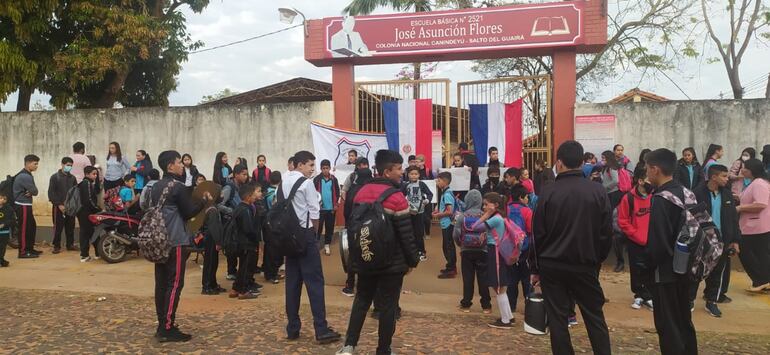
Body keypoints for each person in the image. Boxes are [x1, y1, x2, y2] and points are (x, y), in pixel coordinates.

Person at [530, 140, 612, 355]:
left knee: (557, 319)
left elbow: (538, 233)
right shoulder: (597, 191)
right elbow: (606, 233)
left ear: (559, 162)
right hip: (585, 264)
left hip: (552, 265)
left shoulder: (548, 192)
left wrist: (535, 268)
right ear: (581, 161)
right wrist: (597, 259)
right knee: (595, 317)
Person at [337, 149, 420, 355]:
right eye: (399, 169)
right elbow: (406, 234)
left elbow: (354, 224)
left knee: (362, 300)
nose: (402, 172)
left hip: (365, 257)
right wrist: (412, 261)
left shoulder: (362, 192)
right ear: (386, 172)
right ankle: (383, 350)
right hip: (392, 262)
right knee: (388, 306)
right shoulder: (397, 197)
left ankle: (349, 346)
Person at [282, 151, 341, 344]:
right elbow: (315, 212)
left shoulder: (282, 181)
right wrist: (314, 235)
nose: (312, 169)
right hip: (305, 235)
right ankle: (321, 329)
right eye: (310, 165)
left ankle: (292, 328)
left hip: (288, 237)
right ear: (300, 165)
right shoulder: (306, 184)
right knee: (314, 283)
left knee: (292, 284)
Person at [151, 150, 210, 343]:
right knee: (175, 284)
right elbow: (189, 213)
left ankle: (162, 324)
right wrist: (204, 201)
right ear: (170, 166)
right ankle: (167, 328)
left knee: (161, 284)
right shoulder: (177, 187)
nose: (181, 166)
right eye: (179, 163)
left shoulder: (155, 186)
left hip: (159, 240)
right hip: (175, 239)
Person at [645, 148, 698, 355]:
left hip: (666, 271)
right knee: (684, 320)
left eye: (647, 169)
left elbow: (658, 242)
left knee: (668, 326)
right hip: (687, 267)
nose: (646, 173)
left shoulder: (661, 198)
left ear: (655, 169)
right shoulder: (687, 192)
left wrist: (647, 266)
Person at [690, 164, 740, 317]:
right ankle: (689, 300)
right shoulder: (697, 193)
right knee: (695, 272)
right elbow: (690, 217)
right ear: (713, 177)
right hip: (702, 241)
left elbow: (733, 218)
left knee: (717, 274)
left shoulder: (727, 195)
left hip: (722, 241)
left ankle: (711, 301)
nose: (727, 179)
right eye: (724, 176)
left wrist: (735, 240)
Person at [472, 192, 515, 328]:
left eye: (486, 204)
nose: (484, 207)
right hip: (499, 250)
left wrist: (485, 216)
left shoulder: (495, 218)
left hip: (495, 251)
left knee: (498, 286)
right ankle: (508, 316)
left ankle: (505, 320)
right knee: (501, 286)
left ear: (495, 205)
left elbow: (475, 227)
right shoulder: (501, 216)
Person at [617, 167, 653, 311]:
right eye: (648, 179)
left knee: (651, 268)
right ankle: (639, 295)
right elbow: (623, 220)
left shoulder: (655, 196)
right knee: (636, 268)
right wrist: (635, 234)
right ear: (640, 181)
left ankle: (649, 295)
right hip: (635, 241)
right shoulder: (628, 198)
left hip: (652, 240)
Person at [452, 190, 492, 313]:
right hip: (483, 250)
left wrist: (461, 245)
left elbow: (456, 234)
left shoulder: (462, 216)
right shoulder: (485, 216)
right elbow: (490, 233)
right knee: (483, 277)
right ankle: (486, 305)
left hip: (467, 250)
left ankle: (466, 304)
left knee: (468, 277)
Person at [736, 158, 770, 293]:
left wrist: (740, 208)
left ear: (751, 171)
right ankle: (763, 281)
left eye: (744, 168)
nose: (742, 170)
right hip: (756, 226)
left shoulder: (759, 184)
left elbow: (761, 204)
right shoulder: (755, 183)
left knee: (745, 252)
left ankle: (761, 280)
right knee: (761, 254)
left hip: (756, 226)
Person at [342, 163, 374, 297]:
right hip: (371, 227)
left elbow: (346, 210)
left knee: (353, 255)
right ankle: (369, 285)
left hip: (353, 227)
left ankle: (350, 286)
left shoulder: (353, 190)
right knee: (370, 253)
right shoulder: (373, 189)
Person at [229, 183, 263, 300]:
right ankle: (243, 291)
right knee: (245, 267)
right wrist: (255, 239)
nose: (255, 198)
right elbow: (248, 229)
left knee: (242, 266)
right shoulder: (245, 210)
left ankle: (235, 288)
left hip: (240, 243)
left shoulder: (239, 207)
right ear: (248, 197)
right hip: (245, 243)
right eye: (254, 195)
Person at [506, 185, 533, 312]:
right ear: (521, 198)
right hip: (524, 249)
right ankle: (529, 307)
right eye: (527, 197)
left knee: (511, 279)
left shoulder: (506, 209)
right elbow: (530, 230)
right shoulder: (527, 211)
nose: (528, 199)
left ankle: (511, 306)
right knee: (526, 279)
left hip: (509, 249)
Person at [48, 157, 77, 254]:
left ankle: (70, 244)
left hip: (70, 207)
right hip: (58, 207)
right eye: (68, 165)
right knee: (58, 227)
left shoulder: (72, 178)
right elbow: (51, 193)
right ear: (62, 164)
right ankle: (56, 246)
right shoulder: (55, 177)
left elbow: (75, 192)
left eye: (71, 166)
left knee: (70, 226)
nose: (69, 167)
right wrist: (59, 204)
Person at [403, 166, 432, 260]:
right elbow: (400, 194)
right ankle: (412, 252)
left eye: (416, 174)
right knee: (409, 233)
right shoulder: (405, 184)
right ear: (408, 175)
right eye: (412, 174)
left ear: (419, 175)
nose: (414, 176)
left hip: (419, 212)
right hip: (409, 212)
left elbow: (430, 193)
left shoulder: (422, 184)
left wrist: (427, 200)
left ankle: (422, 252)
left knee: (419, 233)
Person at [14, 154, 41, 258]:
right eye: (35, 164)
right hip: (22, 205)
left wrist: (31, 191)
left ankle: (30, 248)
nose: (36, 166)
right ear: (28, 163)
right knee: (24, 228)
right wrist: (31, 191)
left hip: (26, 204)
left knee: (31, 227)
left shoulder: (26, 174)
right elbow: (35, 191)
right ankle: (23, 252)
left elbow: (32, 191)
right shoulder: (24, 176)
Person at [200, 191, 225, 295]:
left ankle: (213, 284)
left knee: (213, 263)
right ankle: (207, 286)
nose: (222, 196)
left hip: (211, 239)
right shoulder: (212, 210)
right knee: (210, 263)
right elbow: (213, 228)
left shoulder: (212, 208)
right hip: (211, 239)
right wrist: (218, 242)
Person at [262, 171, 284, 284]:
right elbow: (275, 208)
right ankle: (270, 274)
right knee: (273, 250)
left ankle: (272, 272)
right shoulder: (274, 194)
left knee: (270, 249)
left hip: (268, 223)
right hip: (273, 224)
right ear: (280, 181)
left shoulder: (267, 192)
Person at [314, 160, 339, 256]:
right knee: (318, 227)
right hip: (320, 209)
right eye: (323, 168)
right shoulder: (316, 179)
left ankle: (327, 245)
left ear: (329, 168)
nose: (325, 170)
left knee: (330, 227)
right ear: (320, 169)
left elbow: (337, 192)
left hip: (331, 209)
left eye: (327, 168)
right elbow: (313, 194)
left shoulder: (334, 179)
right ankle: (316, 244)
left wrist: (336, 205)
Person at [434, 172, 457, 279]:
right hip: (446, 223)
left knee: (448, 247)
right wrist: (438, 211)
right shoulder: (446, 192)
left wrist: (439, 214)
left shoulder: (447, 194)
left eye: (438, 180)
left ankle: (451, 269)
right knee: (447, 246)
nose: (437, 182)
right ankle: (450, 267)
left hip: (448, 224)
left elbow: (449, 211)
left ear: (444, 181)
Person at [77, 166, 101, 262]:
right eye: (93, 174)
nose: (95, 176)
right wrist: (97, 209)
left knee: (88, 233)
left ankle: (93, 253)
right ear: (87, 174)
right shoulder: (86, 183)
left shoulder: (86, 183)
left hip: (83, 212)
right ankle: (86, 255)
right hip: (86, 212)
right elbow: (89, 200)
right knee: (90, 233)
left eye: (96, 174)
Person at [0, 192, 14, 267]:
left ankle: (1, 259)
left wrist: (4, 224)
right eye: (0, 198)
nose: (1, 200)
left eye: (3, 198)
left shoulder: (9, 209)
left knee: (2, 247)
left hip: (4, 232)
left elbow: (12, 220)